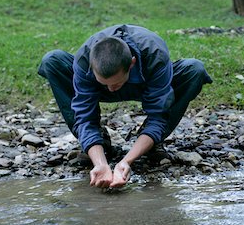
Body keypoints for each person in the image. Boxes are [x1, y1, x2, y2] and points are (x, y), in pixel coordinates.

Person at [38, 24, 212, 189]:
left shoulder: (154, 54)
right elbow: (84, 117)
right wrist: (100, 164)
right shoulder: (84, 60)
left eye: (115, 83)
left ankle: (150, 142)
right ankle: (98, 140)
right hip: (95, 85)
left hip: (146, 85)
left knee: (194, 69)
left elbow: (159, 116)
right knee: (52, 61)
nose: (111, 89)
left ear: (132, 63)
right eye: (105, 83)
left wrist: (126, 161)